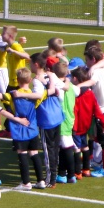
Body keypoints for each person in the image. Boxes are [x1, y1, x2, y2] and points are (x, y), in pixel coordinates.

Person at [0, 68, 46, 191]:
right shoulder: (34, 96)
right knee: (34, 154)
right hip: (33, 129)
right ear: (30, 80)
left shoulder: (13, 95)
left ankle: (26, 182)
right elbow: (48, 92)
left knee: (22, 155)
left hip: (20, 131)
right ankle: (41, 180)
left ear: (17, 80)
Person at [14, 53, 64, 187]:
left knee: (48, 150)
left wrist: (21, 94)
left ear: (36, 64)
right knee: (54, 148)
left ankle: (49, 180)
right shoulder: (51, 75)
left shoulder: (37, 79)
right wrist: (53, 89)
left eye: (30, 63)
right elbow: (65, 87)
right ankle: (54, 176)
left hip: (46, 117)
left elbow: (37, 95)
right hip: (57, 113)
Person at [79, 46, 104, 177]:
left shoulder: (96, 72)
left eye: (87, 60)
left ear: (93, 59)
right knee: (103, 137)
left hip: (103, 110)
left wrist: (77, 86)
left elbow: (92, 81)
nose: (86, 63)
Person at [70, 65, 104, 178]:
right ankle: (86, 169)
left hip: (75, 126)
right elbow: (97, 109)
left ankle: (77, 172)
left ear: (76, 79)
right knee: (85, 146)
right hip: (86, 125)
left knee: (76, 148)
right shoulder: (90, 93)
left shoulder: (74, 94)